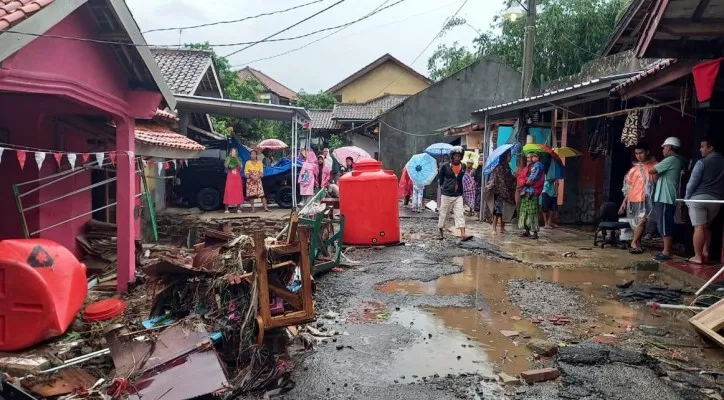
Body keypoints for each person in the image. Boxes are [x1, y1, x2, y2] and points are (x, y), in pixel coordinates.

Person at [685, 137, 724, 264]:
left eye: (703, 146)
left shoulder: (702, 162)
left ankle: (697, 256)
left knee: (699, 227)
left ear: (710, 148)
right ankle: (706, 252)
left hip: (699, 199)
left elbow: (692, 183)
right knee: (706, 226)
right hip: (716, 200)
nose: (700, 149)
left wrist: (687, 198)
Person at [649, 137, 685, 261]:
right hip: (664, 196)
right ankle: (666, 250)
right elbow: (655, 175)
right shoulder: (674, 161)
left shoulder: (671, 159)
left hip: (666, 197)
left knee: (665, 224)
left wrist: (654, 162)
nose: (663, 149)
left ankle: (666, 252)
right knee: (663, 223)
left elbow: (651, 170)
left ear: (669, 147)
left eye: (664, 147)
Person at [618, 143, 657, 254]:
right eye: (636, 153)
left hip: (648, 200)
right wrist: (624, 203)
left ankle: (634, 243)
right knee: (637, 223)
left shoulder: (655, 166)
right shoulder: (633, 170)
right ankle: (637, 243)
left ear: (647, 152)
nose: (638, 156)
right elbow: (628, 188)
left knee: (642, 220)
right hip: (634, 200)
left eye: (641, 153)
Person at [438, 146, 468, 240]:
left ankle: (463, 234)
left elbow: (461, 178)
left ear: (461, 157)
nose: (457, 158)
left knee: (460, 213)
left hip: (458, 194)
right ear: (452, 156)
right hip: (446, 194)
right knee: (444, 213)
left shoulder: (463, 166)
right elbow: (441, 179)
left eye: (459, 156)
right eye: (455, 156)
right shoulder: (444, 166)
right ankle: (440, 232)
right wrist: (445, 187)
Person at [486, 150, 516, 234]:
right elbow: (497, 179)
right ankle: (494, 229)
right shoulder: (498, 167)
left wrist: (514, 177)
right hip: (498, 192)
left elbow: (509, 179)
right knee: (497, 211)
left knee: (504, 211)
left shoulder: (508, 167)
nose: (510, 157)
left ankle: (502, 228)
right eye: (509, 155)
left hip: (506, 192)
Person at [517, 152, 545, 239]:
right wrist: (525, 181)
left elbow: (539, 181)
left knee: (532, 212)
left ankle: (535, 232)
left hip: (533, 193)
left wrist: (529, 182)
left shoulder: (539, 167)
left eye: (531, 157)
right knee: (524, 211)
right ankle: (527, 230)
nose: (529, 159)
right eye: (528, 157)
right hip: (525, 192)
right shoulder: (526, 169)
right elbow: (521, 178)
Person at [223, 148, 244, 213]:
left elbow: (240, 166)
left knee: (238, 191)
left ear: (237, 153)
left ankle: (238, 208)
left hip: (237, 177)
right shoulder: (227, 158)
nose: (233, 153)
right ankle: (226, 209)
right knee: (228, 191)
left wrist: (236, 158)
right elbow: (226, 165)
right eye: (232, 151)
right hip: (230, 176)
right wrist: (229, 157)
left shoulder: (239, 158)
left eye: (235, 152)